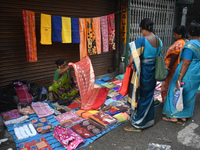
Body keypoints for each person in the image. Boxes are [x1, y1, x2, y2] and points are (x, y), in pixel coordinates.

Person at [124, 18, 163, 131]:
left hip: (143, 73)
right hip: (153, 72)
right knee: (149, 95)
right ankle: (148, 120)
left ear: (141, 28)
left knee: (140, 96)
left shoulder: (141, 41)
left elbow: (131, 60)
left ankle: (139, 123)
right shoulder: (159, 40)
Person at [162, 24, 200, 122]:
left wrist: (179, 78)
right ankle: (184, 116)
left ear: (190, 34)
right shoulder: (199, 44)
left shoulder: (190, 45)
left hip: (187, 73)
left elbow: (186, 62)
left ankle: (173, 116)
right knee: (189, 94)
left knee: (175, 91)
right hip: (196, 73)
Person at [161, 25, 187, 103]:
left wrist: (169, 68)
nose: (174, 36)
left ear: (180, 35)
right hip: (177, 68)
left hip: (173, 69)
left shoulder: (179, 43)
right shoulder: (185, 42)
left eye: (175, 34)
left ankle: (167, 104)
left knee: (168, 85)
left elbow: (174, 56)